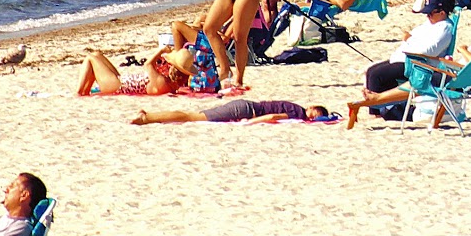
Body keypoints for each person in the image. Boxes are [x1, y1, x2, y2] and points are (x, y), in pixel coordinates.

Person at [344, 6, 471, 125]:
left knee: (421, 79)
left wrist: (463, 50)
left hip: (466, 82)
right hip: (465, 78)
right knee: (421, 78)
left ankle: (378, 98)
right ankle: (380, 99)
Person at [353, 0, 456, 109]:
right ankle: (384, 107)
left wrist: (410, 40)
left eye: (430, 13)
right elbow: (414, 36)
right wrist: (410, 39)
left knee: (377, 75)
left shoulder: (445, 28)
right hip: (407, 59)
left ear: (442, 13)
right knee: (371, 71)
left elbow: (428, 51)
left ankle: (376, 110)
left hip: (419, 65)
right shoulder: (431, 24)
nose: (427, 16)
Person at [76, 44, 195, 96]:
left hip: (118, 85)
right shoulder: (170, 85)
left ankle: (79, 92)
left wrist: (161, 51)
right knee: (97, 54)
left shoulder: (161, 81)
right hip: (120, 82)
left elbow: (148, 64)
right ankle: (85, 92)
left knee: (90, 57)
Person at [132, 100, 330, 124]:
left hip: (245, 105)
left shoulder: (294, 106)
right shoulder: (297, 112)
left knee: (194, 114)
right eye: (315, 114)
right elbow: (272, 117)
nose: (312, 117)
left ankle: (150, 114)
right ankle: (147, 118)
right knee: (192, 117)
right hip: (245, 110)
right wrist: (249, 123)